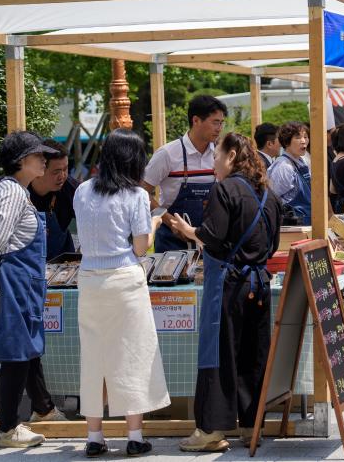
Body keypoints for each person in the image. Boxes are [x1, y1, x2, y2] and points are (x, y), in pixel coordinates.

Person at [172, 133, 283, 452]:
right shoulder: (267, 192)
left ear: (232, 155)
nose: (213, 163)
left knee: (218, 354)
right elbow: (272, 243)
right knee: (252, 355)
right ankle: (251, 426)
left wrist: (187, 231)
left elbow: (214, 237)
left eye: (216, 157)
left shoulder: (224, 189)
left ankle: (210, 430)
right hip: (259, 283)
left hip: (228, 283)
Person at [73, 130, 169, 457]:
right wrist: (155, 225)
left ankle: (94, 436)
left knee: (94, 357)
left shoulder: (82, 190)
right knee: (132, 355)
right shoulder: (136, 195)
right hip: (125, 278)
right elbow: (142, 248)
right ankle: (134, 435)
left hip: (88, 279)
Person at [0, 132, 61, 448]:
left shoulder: (17, 190)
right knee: (16, 357)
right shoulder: (12, 194)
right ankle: (7, 429)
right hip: (11, 286)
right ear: (21, 161)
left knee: (23, 355)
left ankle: (36, 412)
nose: (44, 160)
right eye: (38, 155)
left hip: (18, 286)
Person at [0, 139, 80, 261]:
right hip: (20, 267)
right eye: (56, 171)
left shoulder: (72, 189)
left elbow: (94, 217)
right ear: (40, 168)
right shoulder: (7, 187)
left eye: (65, 169)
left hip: (62, 265)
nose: (63, 176)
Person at [143, 95, 227, 252]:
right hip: (171, 239)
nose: (219, 128)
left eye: (222, 123)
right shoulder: (167, 154)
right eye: (215, 122)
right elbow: (142, 192)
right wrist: (168, 220)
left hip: (208, 238)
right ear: (196, 121)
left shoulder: (220, 153)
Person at [266, 122, 312, 225]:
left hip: (306, 223)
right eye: (298, 137)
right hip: (292, 227)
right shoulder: (283, 166)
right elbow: (271, 198)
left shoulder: (302, 161)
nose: (304, 141)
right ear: (286, 142)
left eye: (305, 137)